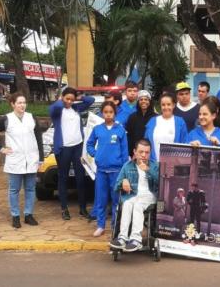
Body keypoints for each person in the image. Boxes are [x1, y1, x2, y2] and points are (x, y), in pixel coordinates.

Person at [0, 92, 44, 228]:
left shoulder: (32, 118)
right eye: (19, 102)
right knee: (14, 189)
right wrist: (1, 149)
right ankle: (15, 216)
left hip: (31, 159)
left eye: (24, 102)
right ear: (13, 104)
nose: (22, 105)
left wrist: (40, 158)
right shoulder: (6, 119)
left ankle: (29, 215)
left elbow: (39, 138)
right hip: (15, 160)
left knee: (30, 189)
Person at [49, 87, 95, 220]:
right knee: (63, 178)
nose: (69, 101)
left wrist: (79, 98)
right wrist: (60, 100)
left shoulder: (76, 108)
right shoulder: (58, 110)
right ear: (62, 97)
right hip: (63, 148)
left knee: (80, 178)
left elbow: (90, 100)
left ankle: (82, 208)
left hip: (78, 147)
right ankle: (64, 209)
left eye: (71, 99)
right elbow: (52, 108)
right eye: (67, 99)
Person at [87, 101, 129, 237]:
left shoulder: (120, 130)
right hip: (101, 171)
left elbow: (124, 151)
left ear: (115, 114)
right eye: (106, 112)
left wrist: (124, 170)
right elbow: (89, 144)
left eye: (111, 112)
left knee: (116, 200)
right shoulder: (97, 129)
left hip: (116, 172)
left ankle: (115, 226)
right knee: (100, 199)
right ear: (102, 113)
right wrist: (95, 154)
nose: (108, 114)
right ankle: (100, 225)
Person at [110, 139, 160, 253]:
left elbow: (161, 183)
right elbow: (116, 186)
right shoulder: (127, 166)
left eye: (147, 152)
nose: (143, 155)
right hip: (132, 195)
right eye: (141, 152)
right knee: (127, 203)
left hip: (149, 196)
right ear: (135, 152)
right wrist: (123, 182)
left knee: (137, 205)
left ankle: (136, 239)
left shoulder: (155, 166)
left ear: (150, 153)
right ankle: (122, 237)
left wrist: (148, 170)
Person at [144, 92, 189, 161]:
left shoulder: (180, 122)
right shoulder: (152, 121)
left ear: (173, 105)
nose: (166, 107)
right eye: (163, 105)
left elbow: (185, 144)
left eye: (168, 104)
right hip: (153, 164)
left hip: (173, 165)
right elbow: (145, 142)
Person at [125, 90, 157, 156]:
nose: (143, 101)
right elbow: (129, 137)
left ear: (150, 102)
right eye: (141, 99)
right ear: (138, 102)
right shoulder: (132, 117)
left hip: (151, 153)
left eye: (146, 99)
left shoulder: (156, 118)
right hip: (136, 154)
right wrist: (131, 153)